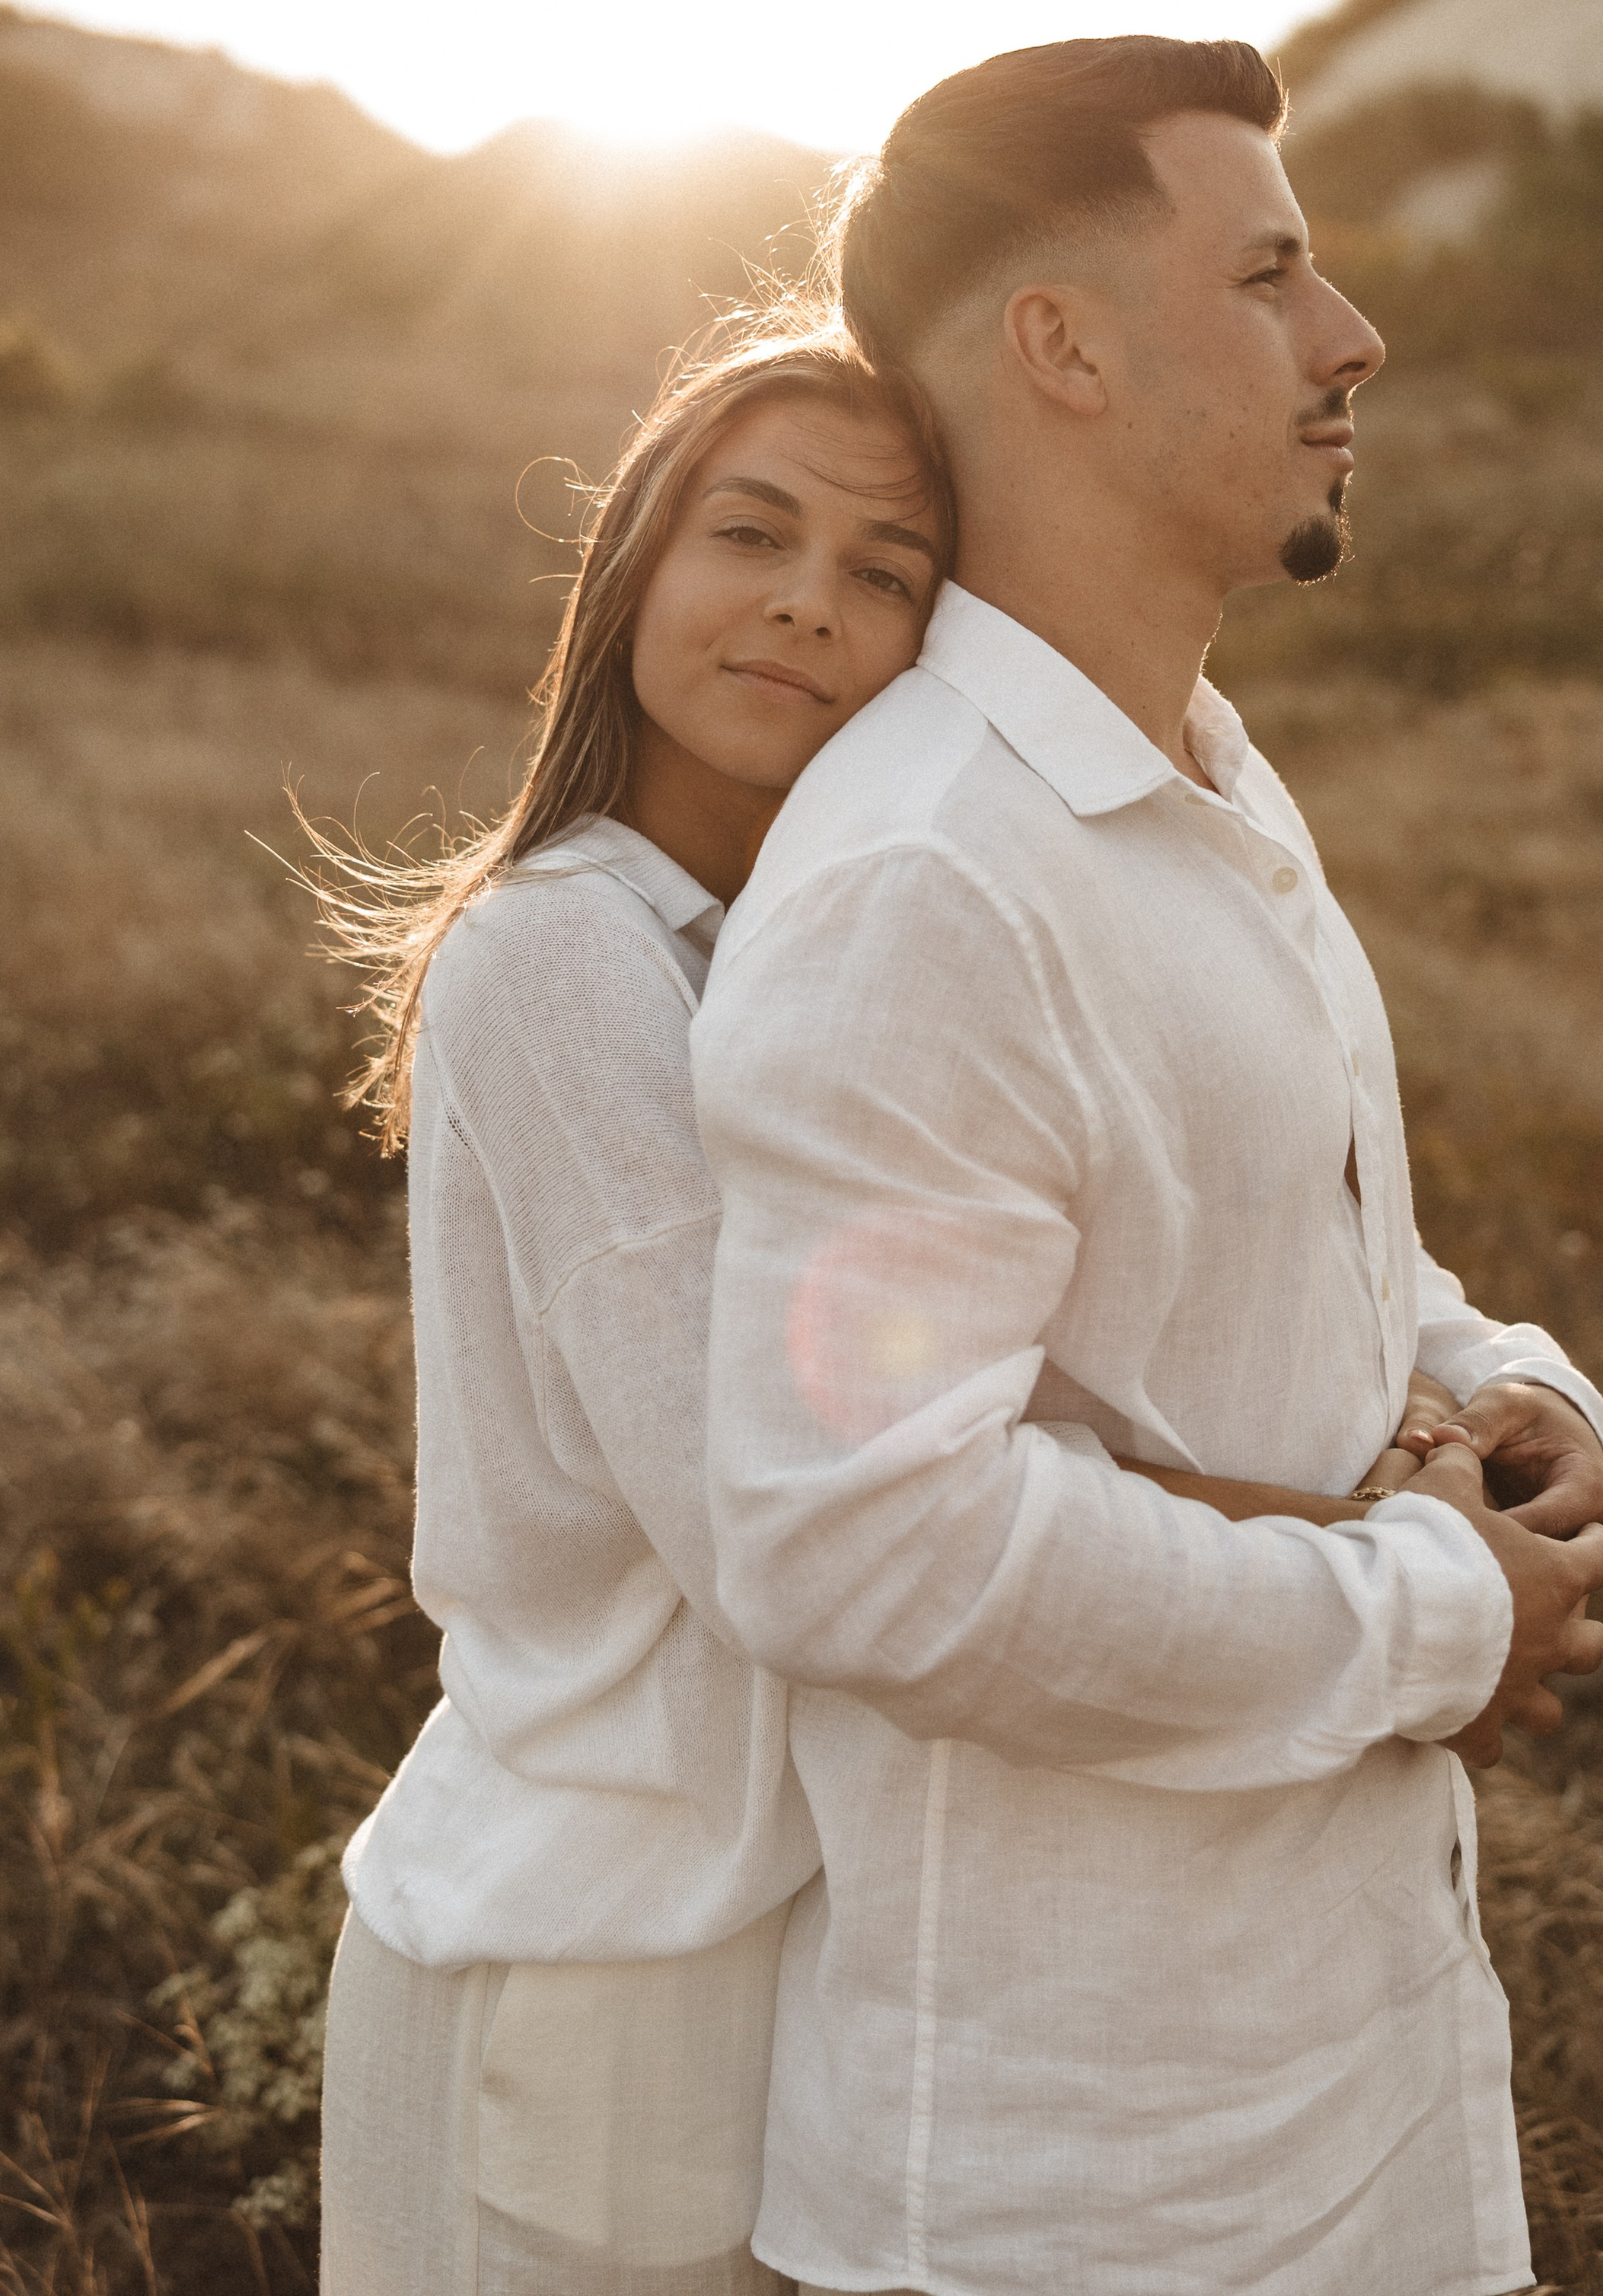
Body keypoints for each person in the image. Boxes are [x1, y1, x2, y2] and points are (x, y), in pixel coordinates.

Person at [692, 38, 1603, 2296]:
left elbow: (1294, 1230)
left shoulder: (1198, 766)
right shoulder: (935, 878)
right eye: (1276, 273)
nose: (1353, 338)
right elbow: (865, 1545)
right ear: (1063, 348)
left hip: (1343, 2107)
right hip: (1084, 2203)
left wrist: (1504, 1382)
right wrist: (1431, 1616)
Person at [313, 328, 958, 2296]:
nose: (805, 603)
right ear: (631, 574)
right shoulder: (564, 956)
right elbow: (764, 1508)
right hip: (595, 1971)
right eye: (749, 532)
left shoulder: (817, 963)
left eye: (887, 574)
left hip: (769, 1954)